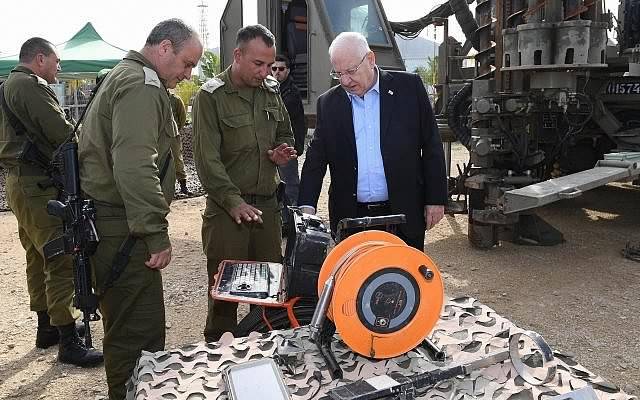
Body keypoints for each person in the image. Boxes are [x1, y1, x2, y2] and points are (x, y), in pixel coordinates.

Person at [78, 19, 203, 399]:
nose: (187, 74)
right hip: (124, 229)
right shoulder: (142, 86)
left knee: (124, 327)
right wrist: (153, 232)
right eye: (186, 63)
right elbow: (135, 165)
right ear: (164, 47)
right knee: (138, 335)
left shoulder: (123, 74)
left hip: (110, 222)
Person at [0, 37, 103, 367]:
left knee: (37, 254)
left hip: (20, 182)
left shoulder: (7, 85)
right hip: (37, 185)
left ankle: (46, 326)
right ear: (40, 59)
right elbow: (62, 132)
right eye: (56, 62)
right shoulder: (29, 85)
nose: (58, 68)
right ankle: (68, 339)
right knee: (60, 255)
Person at [192, 24, 295, 342]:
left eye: (270, 64)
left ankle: (265, 349)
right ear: (237, 55)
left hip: (265, 208)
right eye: (258, 64)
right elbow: (207, 163)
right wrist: (233, 201)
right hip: (228, 212)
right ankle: (219, 357)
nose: (266, 71)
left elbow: (285, 135)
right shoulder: (211, 97)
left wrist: (281, 153)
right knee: (225, 291)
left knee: (266, 288)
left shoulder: (271, 90)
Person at [298, 32, 447, 251]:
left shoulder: (409, 88)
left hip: (403, 212)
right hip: (351, 217)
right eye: (339, 73)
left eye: (351, 71)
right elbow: (315, 160)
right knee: (355, 281)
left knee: (404, 278)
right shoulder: (328, 104)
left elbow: (432, 144)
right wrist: (307, 206)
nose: (346, 81)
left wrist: (436, 198)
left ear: (370, 59)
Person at [271, 55, 306, 218]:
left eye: (281, 69)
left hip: (287, 147)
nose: (277, 72)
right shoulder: (273, 90)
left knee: (290, 185)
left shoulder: (290, 93)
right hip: (276, 147)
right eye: (274, 68)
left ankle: (291, 220)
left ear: (288, 71)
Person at [168, 90, 192, 195]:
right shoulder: (152, 96)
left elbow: (182, 117)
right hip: (157, 136)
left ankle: (183, 186)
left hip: (173, 135)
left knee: (177, 159)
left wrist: (176, 129)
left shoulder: (175, 99)